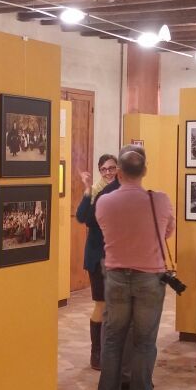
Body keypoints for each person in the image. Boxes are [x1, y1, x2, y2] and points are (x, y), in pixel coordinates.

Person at [95, 147, 175, 390]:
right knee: (144, 341)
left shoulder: (104, 202)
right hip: (150, 277)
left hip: (116, 276)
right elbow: (167, 232)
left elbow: (104, 229)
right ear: (145, 171)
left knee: (113, 339)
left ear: (118, 172)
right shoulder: (159, 200)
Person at [76, 154, 119, 369]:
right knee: (101, 303)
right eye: (104, 169)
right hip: (97, 255)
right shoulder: (95, 191)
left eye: (112, 168)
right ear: (99, 171)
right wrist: (87, 189)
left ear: (118, 168)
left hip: (119, 255)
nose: (108, 172)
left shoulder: (123, 189)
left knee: (118, 306)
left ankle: (114, 352)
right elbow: (82, 217)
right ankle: (97, 353)